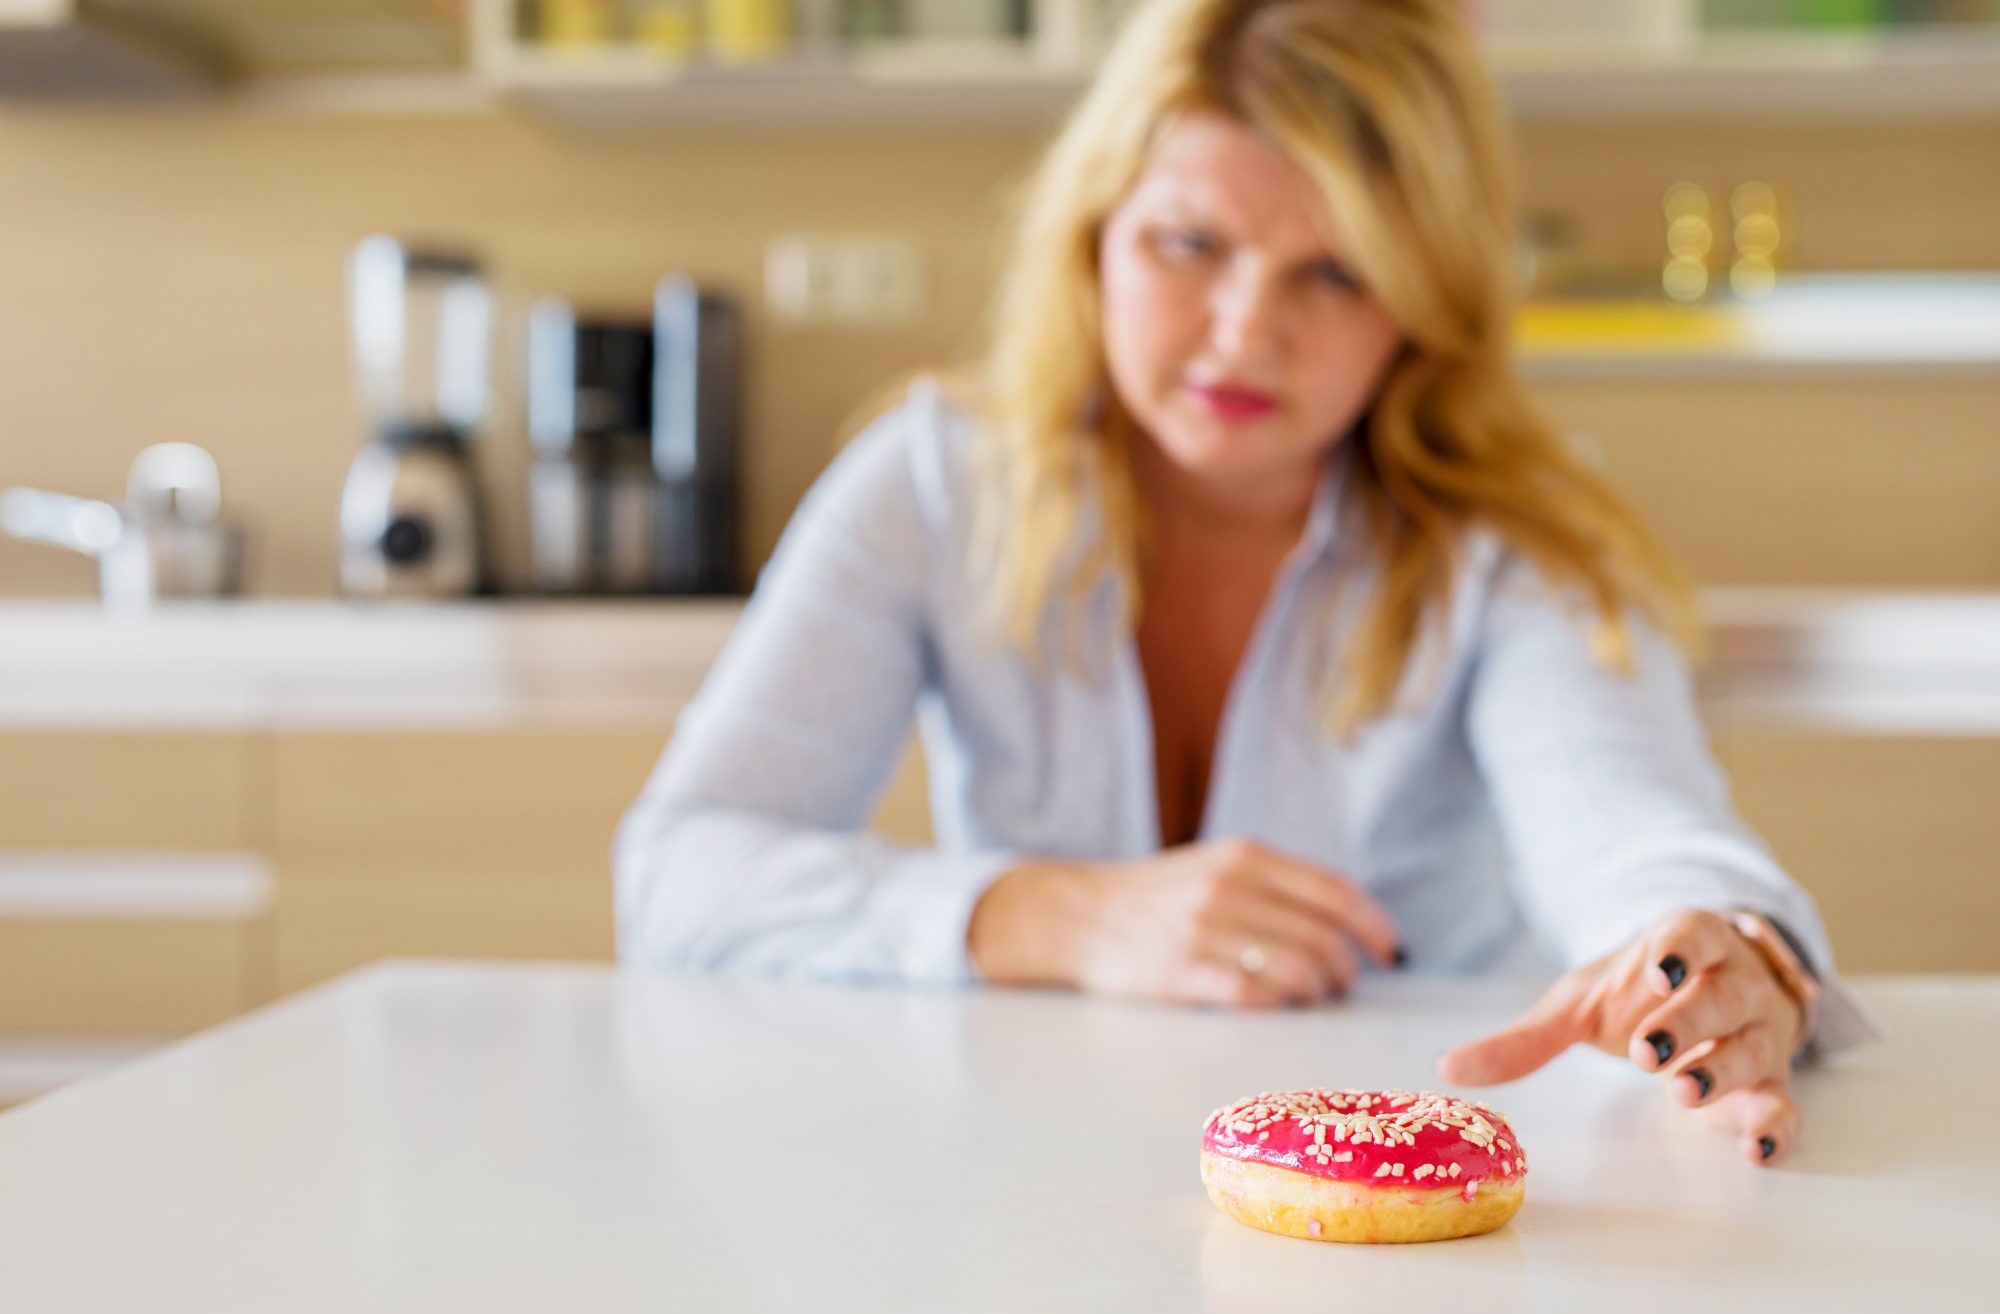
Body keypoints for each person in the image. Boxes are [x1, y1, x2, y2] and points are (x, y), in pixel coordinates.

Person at [614, 0, 1875, 1167]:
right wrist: (1055, 914)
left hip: (1424, 1207)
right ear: (1091, 236)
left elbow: (1633, 834)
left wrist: (1717, 957)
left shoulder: (1510, 546)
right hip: (1038, 1175)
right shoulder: (934, 482)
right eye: (1187, 244)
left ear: (1419, 303)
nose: (1240, 331)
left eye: (1332, 273)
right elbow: (678, 872)